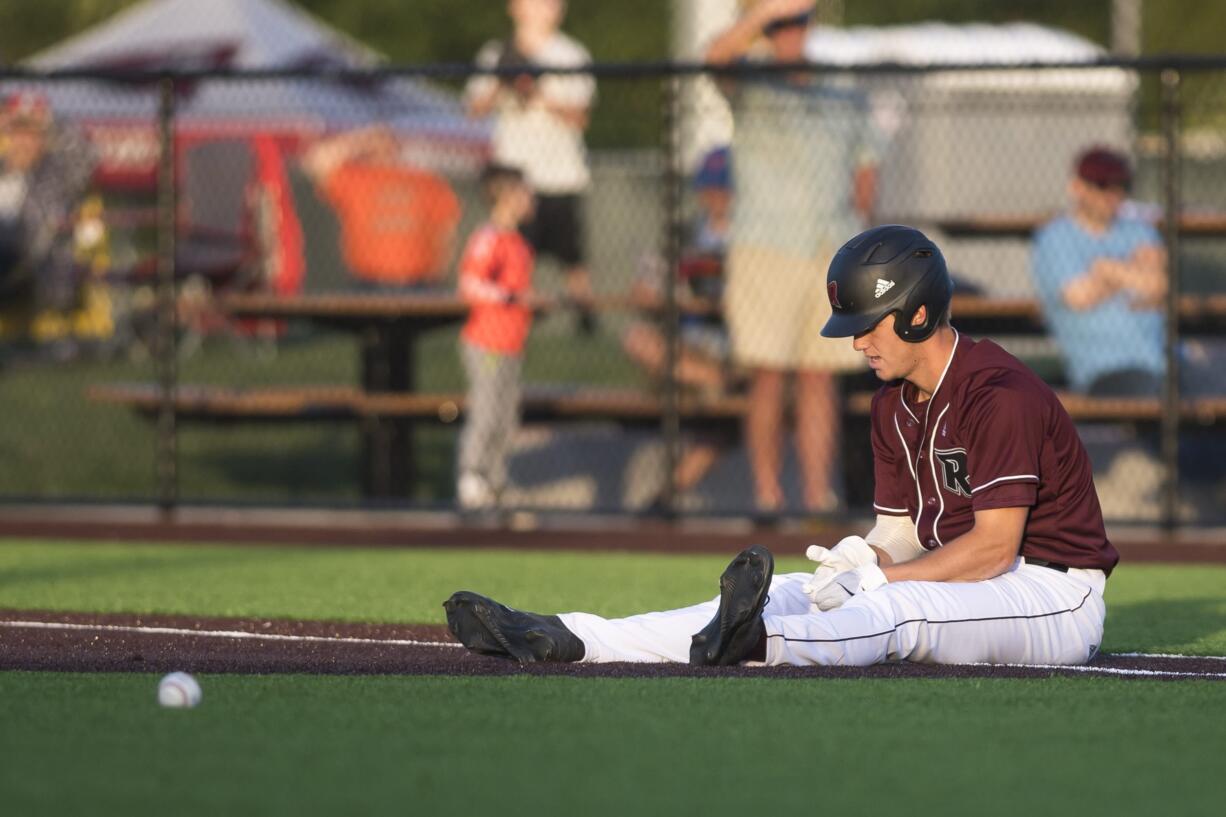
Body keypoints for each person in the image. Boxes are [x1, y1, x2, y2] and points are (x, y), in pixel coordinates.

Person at [444, 225, 1116, 669]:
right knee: (800, 587)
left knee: (898, 608)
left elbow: (998, 547)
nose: (856, 342)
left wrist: (880, 576)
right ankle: (578, 635)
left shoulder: (998, 391)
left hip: (1051, 591)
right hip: (974, 578)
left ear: (917, 311)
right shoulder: (891, 400)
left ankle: (758, 642)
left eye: (867, 324)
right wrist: (864, 555)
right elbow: (904, 534)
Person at [706, 0, 879, 515]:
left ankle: (816, 497)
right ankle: (766, 495)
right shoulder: (750, 82)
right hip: (764, 244)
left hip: (829, 247)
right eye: (780, 25)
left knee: (819, 376)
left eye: (797, 20)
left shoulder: (842, 90)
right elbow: (712, 59)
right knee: (767, 374)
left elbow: (866, 171)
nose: (790, 33)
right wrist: (764, 12)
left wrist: (862, 244)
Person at [465, 0, 597, 331]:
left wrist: (537, 91)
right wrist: (502, 82)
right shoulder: (496, 53)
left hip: (560, 175)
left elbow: (580, 117)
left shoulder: (570, 54)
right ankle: (518, 314)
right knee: (515, 257)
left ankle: (585, 320)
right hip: (513, 177)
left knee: (573, 260)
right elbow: (473, 108)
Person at [621, 146, 736, 503]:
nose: (714, 196)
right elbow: (641, 293)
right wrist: (674, 293)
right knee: (637, 338)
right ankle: (716, 384)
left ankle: (665, 499)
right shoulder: (683, 235)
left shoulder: (751, 237)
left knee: (722, 424)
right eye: (709, 187)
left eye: (723, 188)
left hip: (732, 348)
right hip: (686, 348)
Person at [1031, 146, 1167, 397]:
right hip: (1104, 370)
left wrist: (1108, 271)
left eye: (1122, 186)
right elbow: (1079, 297)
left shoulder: (1137, 229)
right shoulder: (1056, 237)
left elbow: (1159, 288)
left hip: (1162, 361)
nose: (1113, 195)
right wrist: (1134, 271)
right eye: (1102, 185)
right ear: (1078, 187)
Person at [455, 164, 537, 510]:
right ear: (505, 197)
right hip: (487, 342)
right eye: (523, 193)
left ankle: (494, 478)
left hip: (511, 343)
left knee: (506, 418)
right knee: (486, 411)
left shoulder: (517, 241)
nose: (530, 200)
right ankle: (471, 475)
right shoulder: (489, 238)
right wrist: (507, 297)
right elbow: (469, 285)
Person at [301, 125, 460, 290]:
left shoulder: (425, 181)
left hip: (419, 283)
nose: (382, 147)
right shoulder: (356, 179)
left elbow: (446, 233)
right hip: (368, 281)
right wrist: (361, 140)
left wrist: (437, 274)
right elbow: (314, 162)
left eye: (387, 141)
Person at [0, 91, 97, 328]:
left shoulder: (57, 175)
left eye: (32, 133)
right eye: (16, 131)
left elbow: (87, 155)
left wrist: (52, 123)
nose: (24, 141)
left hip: (39, 268)